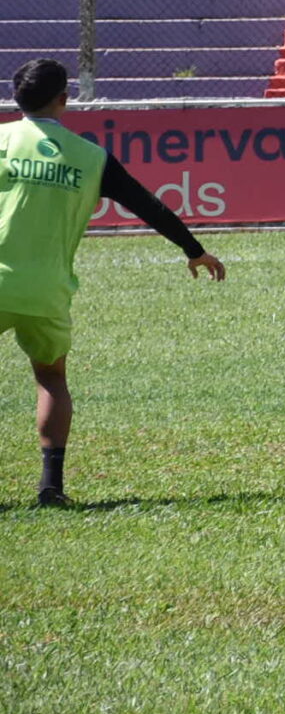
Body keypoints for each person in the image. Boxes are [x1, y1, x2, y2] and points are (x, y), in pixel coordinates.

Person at [2, 58, 226, 507]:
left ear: (15, 97)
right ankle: (51, 488)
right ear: (64, 99)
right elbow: (149, 206)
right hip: (47, 290)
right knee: (50, 377)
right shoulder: (91, 158)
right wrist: (193, 249)